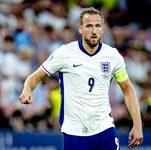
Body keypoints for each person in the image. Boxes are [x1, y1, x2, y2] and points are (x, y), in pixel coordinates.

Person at [19, 7, 143, 150]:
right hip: (75, 132)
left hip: (104, 129)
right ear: (80, 28)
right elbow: (35, 76)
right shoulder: (65, 53)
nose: (94, 30)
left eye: (97, 26)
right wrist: (27, 89)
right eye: (89, 26)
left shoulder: (113, 56)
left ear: (103, 29)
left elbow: (128, 90)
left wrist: (137, 125)